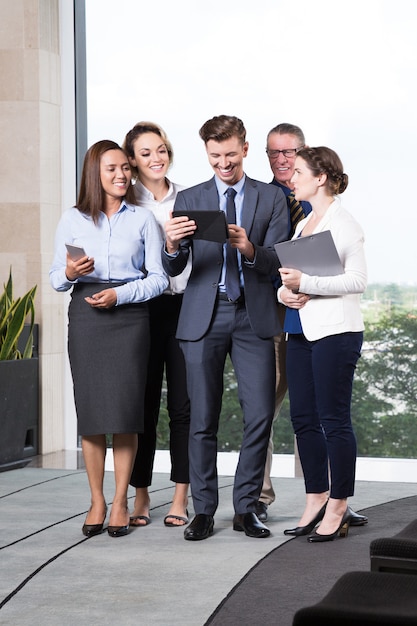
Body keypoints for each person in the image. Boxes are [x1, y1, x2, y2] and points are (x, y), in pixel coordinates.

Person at [162, 115, 288, 541]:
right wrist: (172, 244)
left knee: (259, 416)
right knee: (202, 418)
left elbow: (278, 259)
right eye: (215, 156)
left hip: (253, 317)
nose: (223, 163)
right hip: (204, 315)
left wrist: (249, 248)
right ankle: (203, 510)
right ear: (207, 154)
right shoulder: (192, 197)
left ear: (245, 149)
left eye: (230, 154)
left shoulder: (270, 198)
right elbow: (174, 267)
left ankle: (247, 507)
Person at [50, 140, 168, 538]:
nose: (121, 175)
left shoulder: (142, 219)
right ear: (94, 175)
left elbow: (158, 278)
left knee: (125, 413)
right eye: (111, 169)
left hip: (130, 316)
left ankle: (120, 501)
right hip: (86, 314)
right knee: (94, 414)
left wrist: (122, 294)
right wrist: (70, 273)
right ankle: (96, 499)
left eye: (125, 168)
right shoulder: (72, 220)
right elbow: (55, 279)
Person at [257, 124, 368, 530]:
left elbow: (357, 281)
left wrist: (308, 284)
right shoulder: (303, 224)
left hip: (336, 333)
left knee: (334, 419)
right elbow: (290, 280)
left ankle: (338, 505)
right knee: (302, 418)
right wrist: (288, 293)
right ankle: (316, 496)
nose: (293, 178)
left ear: (320, 178)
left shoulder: (344, 224)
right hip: (299, 330)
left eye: (300, 173)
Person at [122, 122, 191, 527]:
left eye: (161, 149)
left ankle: (181, 495)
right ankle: (142, 495)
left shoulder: (191, 198)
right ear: (132, 160)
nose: (156, 158)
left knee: (183, 407)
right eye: (145, 153)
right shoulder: (126, 204)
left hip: (185, 309)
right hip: (143, 311)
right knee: (143, 405)